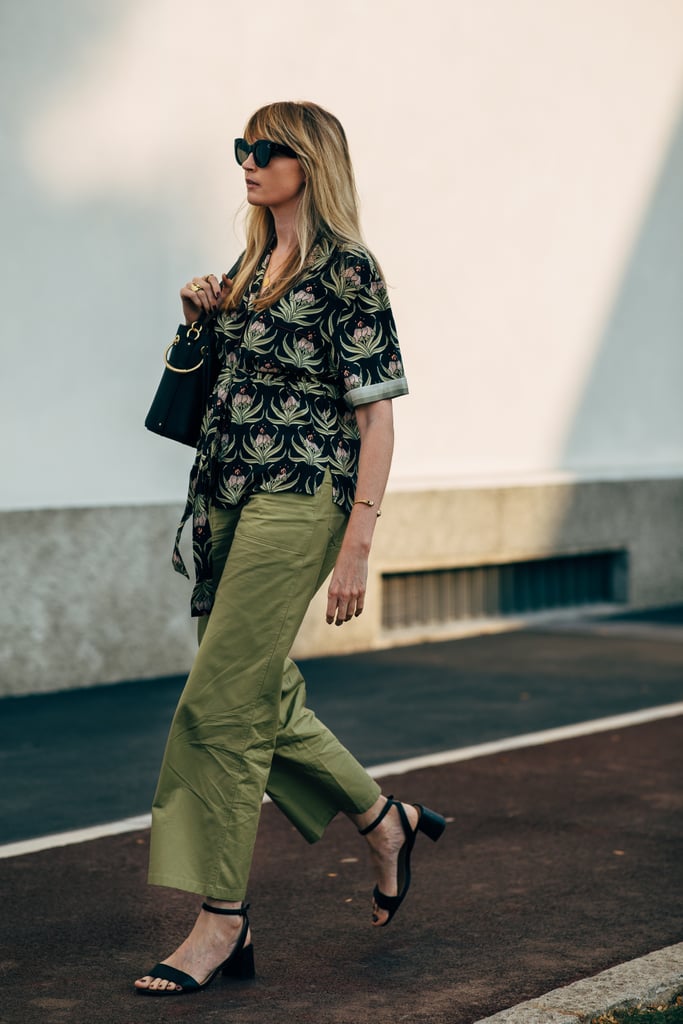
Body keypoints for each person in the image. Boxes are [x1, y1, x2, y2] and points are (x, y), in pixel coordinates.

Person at [135, 100, 445, 997]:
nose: (247, 161)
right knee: (257, 689)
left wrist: (358, 542)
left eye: (266, 149)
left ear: (309, 161)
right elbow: (226, 387)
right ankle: (383, 819)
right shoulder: (250, 260)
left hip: (299, 498)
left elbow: (375, 414)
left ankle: (222, 919)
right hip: (224, 500)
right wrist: (202, 315)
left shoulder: (349, 268)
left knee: (218, 706)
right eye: (242, 147)